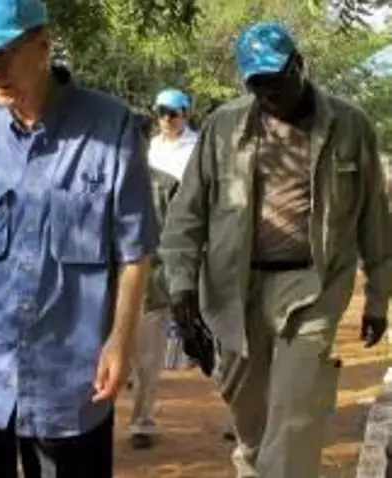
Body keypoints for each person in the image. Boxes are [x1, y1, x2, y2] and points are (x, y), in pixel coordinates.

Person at [160, 21, 391, 478]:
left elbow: (375, 221)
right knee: (251, 427)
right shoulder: (224, 128)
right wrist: (181, 289)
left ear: (299, 66)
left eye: (277, 80)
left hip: (313, 287)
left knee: (293, 416)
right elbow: (186, 216)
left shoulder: (349, 127)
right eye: (257, 84)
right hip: (233, 289)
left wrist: (378, 297)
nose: (268, 93)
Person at [0, 0, 156, 476]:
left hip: (69, 379)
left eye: (2, 53)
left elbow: (135, 251)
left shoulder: (110, 128)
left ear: (42, 45)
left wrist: (119, 342)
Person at [128, 88, 198, 450]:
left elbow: (182, 229)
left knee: (149, 356)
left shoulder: (189, 159)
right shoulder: (105, 181)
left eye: (173, 112)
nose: (167, 118)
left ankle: (142, 421)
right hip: (117, 279)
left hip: (156, 275)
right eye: (162, 112)